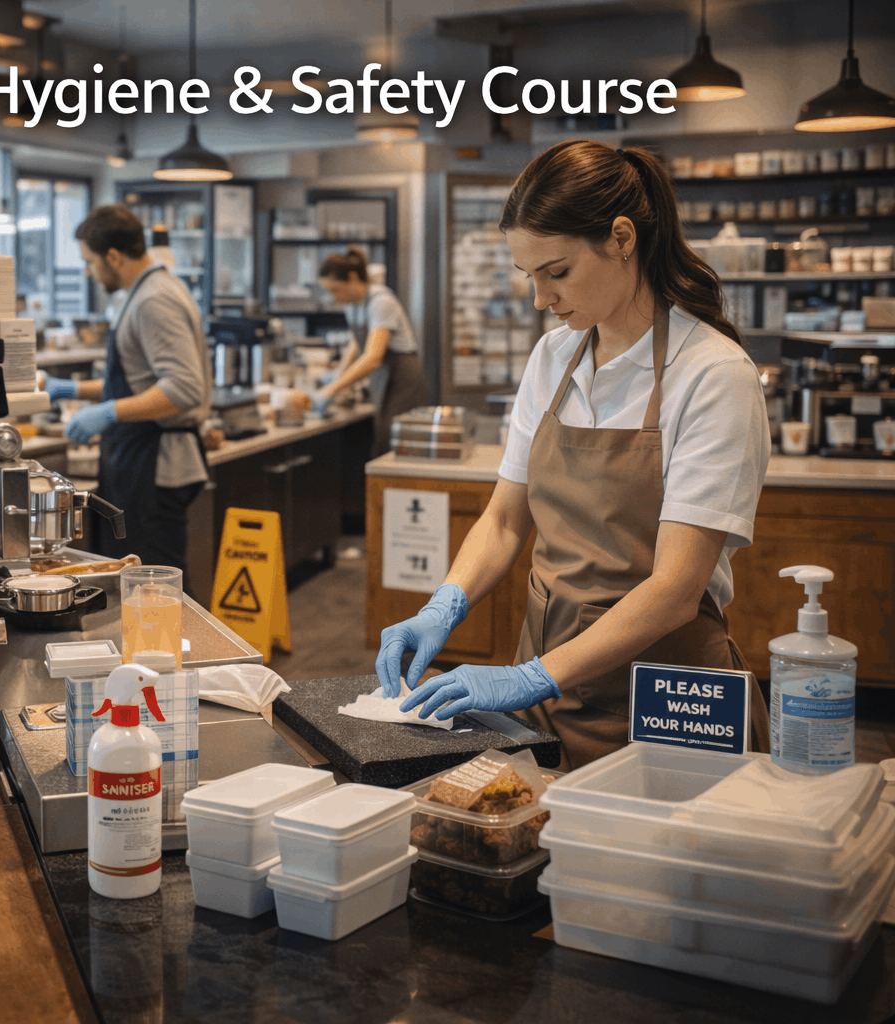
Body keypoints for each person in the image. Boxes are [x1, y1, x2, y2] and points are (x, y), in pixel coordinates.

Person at [379, 140, 770, 770]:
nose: (540, 299)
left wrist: (532, 676)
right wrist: (443, 604)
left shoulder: (712, 375)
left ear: (622, 239)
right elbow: (506, 519)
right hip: (548, 678)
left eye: (556, 272)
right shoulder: (554, 358)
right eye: (528, 275)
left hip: (664, 694)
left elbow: (674, 588)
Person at [42, 204, 212, 575]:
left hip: (154, 464)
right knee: (131, 580)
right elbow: (138, 384)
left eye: (89, 262)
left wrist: (108, 412)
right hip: (139, 460)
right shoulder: (150, 289)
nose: (88, 272)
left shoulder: (154, 300)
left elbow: (183, 388)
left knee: (154, 584)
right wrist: (70, 390)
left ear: (114, 257)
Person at [311, 248, 429, 457]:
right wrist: (339, 377)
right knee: (382, 439)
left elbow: (373, 357)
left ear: (353, 278)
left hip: (402, 377)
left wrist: (331, 389)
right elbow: (355, 346)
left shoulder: (381, 302)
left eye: (336, 290)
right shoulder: (353, 305)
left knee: (393, 442)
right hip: (383, 377)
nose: (335, 297)